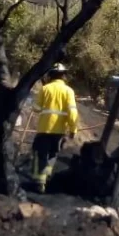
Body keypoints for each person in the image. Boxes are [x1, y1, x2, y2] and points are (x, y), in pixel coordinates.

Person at [31, 63, 78, 193]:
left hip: (44, 129)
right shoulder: (69, 91)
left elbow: (36, 108)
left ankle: (39, 181)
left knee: (40, 154)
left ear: (50, 75)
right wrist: (73, 129)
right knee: (53, 154)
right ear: (63, 75)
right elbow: (72, 112)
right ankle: (46, 176)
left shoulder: (44, 89)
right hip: (59, 131)